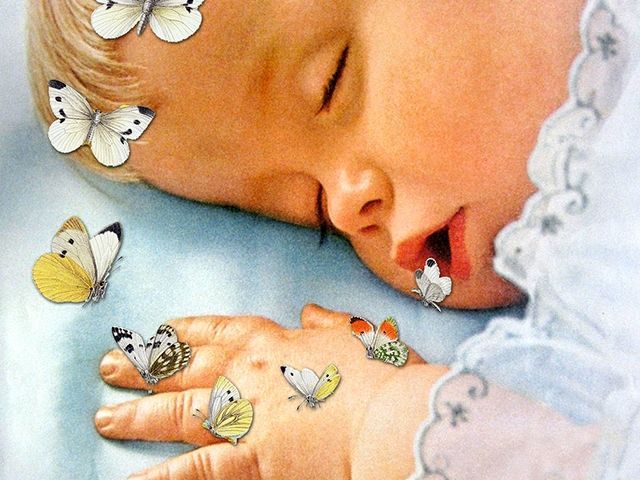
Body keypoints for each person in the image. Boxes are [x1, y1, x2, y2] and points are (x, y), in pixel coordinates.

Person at [28, 0, 633, 478]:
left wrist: (375, 426)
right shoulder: (593, 322)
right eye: (314, 211)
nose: (346, 206)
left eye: (332, 84)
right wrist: (382, 418)